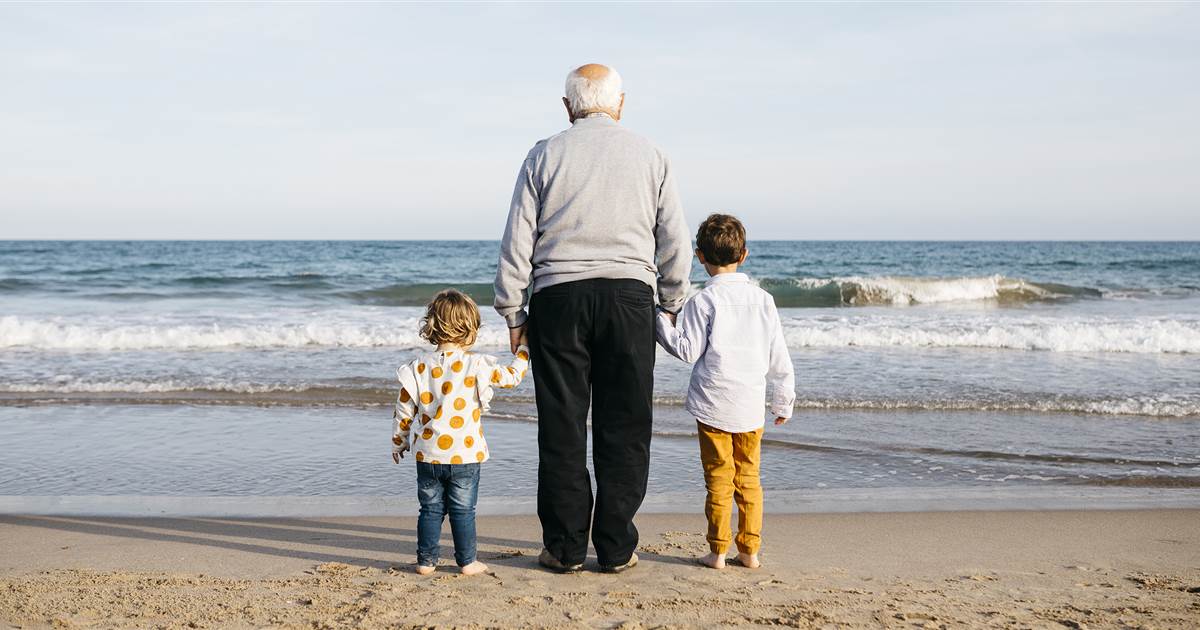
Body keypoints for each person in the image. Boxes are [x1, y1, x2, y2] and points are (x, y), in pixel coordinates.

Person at [493, 63, 691, 573]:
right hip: (629, 297)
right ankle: (616, 545)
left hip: (559, 297)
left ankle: (564, 547)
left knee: (562, 425)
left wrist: (513, 310)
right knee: (625, 425)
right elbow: (674, 239)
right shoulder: (652, 154)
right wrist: (670, 301)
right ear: (620, 103)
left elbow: (518, 238)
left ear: (567, 106)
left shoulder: (544, 154)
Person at [655, 213, 795, 570]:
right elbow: (778, 355)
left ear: (699, 256)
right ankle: (749, 551)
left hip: (714, 406)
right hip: (750, 408)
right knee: (748, 479)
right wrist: (783, 400)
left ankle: (717, 551)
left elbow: (687, 350)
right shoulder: (764, 300)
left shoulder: (703, 301)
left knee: (718, 478)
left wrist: (659, 321)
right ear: (744, 254)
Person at [391, 289, 529, 576]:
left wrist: (399, 441)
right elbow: (512, 378)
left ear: (431, 327)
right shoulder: (477, 365)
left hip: (428, 454)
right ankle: (467, 562)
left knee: (429, 510)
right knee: (463, 511)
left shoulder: (418, 367)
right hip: (465, 455)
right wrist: (524, 351)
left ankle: (426, 562)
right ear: (471, 329)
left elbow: (404, 409)